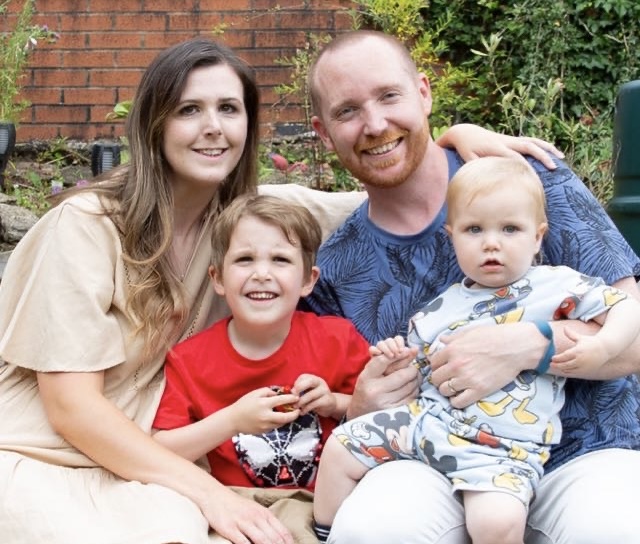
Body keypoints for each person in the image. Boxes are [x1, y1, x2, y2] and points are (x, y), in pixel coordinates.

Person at [0, 34, 545, 544]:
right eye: (190, 109)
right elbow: (71, 408)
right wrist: (213, 496)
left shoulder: (246, 224)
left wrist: (450, 142)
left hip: (153, 463)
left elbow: (393, 199)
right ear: (154, 124)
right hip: (46, 455)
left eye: (229, 109)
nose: (213, 127)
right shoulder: (88, 226)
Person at [304, 29, 640, 544]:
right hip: (437, 457)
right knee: (372, 529)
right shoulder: (338, 268)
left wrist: (528, 345)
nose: (374, 124)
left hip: (586, 451)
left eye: (389, 96)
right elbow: (335, 397)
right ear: (324, 133)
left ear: (424, 93)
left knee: (614, 528)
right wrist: (360, 403)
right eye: (348, 111)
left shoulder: (532, 182)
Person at [151, 193, 375, 543]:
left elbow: (382, 412)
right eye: (244, 259)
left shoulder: (336, 339)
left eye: (280, 260)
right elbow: (160, 450)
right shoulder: (189, 360)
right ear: (218, 278)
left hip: (323, 504)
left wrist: (333, 402)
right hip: (234, 504)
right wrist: (233, 421)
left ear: (308, 280)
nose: (261, 274)